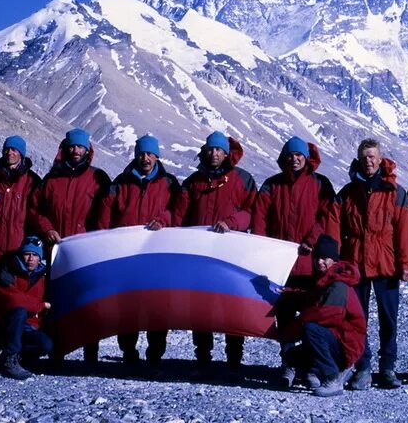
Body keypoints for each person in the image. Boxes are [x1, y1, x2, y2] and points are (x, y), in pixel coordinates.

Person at [173, 130, 258, 380]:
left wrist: (233, 222)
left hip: (231, 255)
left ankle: (234, 361)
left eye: (219, 150)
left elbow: (251, 211)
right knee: (201, 307)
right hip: (199, 256)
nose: (214, 154)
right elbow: (180, 215)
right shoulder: (193, 181)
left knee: (232, 304)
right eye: (210, 149)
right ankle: (203, 359)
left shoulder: (243, 179)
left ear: (226, 153)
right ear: (204, 151)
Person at [252, 136, 339, 370]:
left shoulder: (320, 184)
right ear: (283, 158)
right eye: (290, 156)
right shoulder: (272, 185)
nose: (294, 159)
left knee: (313, 315)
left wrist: (311, 240)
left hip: (310, 264)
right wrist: (264, 246)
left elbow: (325, 216)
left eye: (298, 155)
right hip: (282, 264)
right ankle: (289, 362)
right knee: (286, 315)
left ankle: (311, 364)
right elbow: (260, 217)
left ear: (306, 157)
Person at [27, 128, 110, 363]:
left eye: (80, 147)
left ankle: (90, 353)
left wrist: (98, 239)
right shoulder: (51, 180)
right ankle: (58, 349)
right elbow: (34, 209)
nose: (75, 151)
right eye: (72, 147)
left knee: (88, 299)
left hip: (86, 252)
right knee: (56, 299)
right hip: (56, 251)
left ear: (88, 150)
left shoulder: (98, 179)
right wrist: (46, 229)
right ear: (65, 149)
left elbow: (106, 211)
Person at [98, 134, 179, 369]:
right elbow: (105, 217)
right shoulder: (120, 183)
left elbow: (179, 211)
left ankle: (155, 352)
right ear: (135, 155)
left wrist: (164, 218)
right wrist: (102, 243)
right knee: (128, 305)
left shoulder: (170, 184)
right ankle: (128, 351)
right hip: (127, 256)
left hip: (158, 256)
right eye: (141, 153)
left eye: (150, 154)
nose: (145, 158)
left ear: (157, 156)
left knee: (157, 304)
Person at [337, 138, 408, 390]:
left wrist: (406, 263)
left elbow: (405, 230)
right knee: (357, 318)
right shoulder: (348, 193)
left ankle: (388, 367)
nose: (368, 161)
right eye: (364, 156)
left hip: (385, 263)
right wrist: (334, 261)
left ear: (380, 160)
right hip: (355, 262)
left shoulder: (395, 192)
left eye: (372, 156)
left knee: (388, 318)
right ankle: (363, 366)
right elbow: (334, 226)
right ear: (358, 159)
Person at [278, 235, 366, 398]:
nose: (320, 262)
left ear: (334, 260)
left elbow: (326, 315)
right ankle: (315, 373)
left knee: (311, 328)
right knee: (292, 356)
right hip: (335, 340)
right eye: (317, 258)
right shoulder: (324, 280)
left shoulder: (339, 285)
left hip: (346, 346)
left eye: (325, 258)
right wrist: (288, 294)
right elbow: (310, 300)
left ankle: (333, 378)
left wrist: (291, 330)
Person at [0, 136, 41, 360]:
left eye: (15, 150)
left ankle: (13, 349)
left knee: (15, 303)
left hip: (17, 256)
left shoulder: (32, 183)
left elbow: (33, 218)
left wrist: (29, 253)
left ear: (22, 154)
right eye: (7, 150)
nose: (10, 154)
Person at [0, 236, 53, 380]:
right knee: (19, 311)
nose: (31, 259)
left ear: (40, 258)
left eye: (35, 255)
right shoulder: (7, 272)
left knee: (45, 344)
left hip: (27, 327)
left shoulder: (42, 278)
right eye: (27, 254)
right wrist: (39, 305)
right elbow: (12, 299)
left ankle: (20, 359)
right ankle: (9, 357)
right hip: (3, 326)